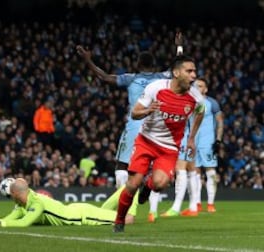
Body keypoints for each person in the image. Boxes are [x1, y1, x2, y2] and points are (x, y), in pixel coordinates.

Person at [76, 32, 183, 188]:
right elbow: (178, 67)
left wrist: (88, 60)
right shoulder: (162, 77)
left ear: (138, 65)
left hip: (135, 126)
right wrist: (179, 46)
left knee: (121, 166)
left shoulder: (130, 78)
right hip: (156, 128)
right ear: (153, 66)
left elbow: (104, 77)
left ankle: (123, 201)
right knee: (153, 165)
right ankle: (152, 187)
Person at [113, 55, 205, 232]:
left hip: (169, 147)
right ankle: (119, 221)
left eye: (194, 71)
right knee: (132, 184)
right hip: (146, 141)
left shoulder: (196, 97)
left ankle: (148, 187)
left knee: (160, 184)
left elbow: (200, 113)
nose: (194, 75)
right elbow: (134, 113)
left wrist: (192, 138)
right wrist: (148, 110)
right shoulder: (155, 88)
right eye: (189, 71)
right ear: (176, 73)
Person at [160, 77, 223, 217]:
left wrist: (218, 140)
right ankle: (196, 204)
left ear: (205, 89)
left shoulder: (211, 103)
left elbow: (220, 121)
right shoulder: (190, 99)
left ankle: (209, 203)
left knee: (205, 170)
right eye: (195, 85)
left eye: (201, 86)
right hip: (192, 139)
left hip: (202, 141)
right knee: (193, 170)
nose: (197, 87)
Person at [0, 178, 135, 228]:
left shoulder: (37, 203)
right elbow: (11, 218)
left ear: (14, 194)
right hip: (74, 209)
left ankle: (134, 187)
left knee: (127, 219)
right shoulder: (22, 203)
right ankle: (127, 188)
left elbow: (24, 222)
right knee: (104, 211)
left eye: (10, 195)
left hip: (81, 216)